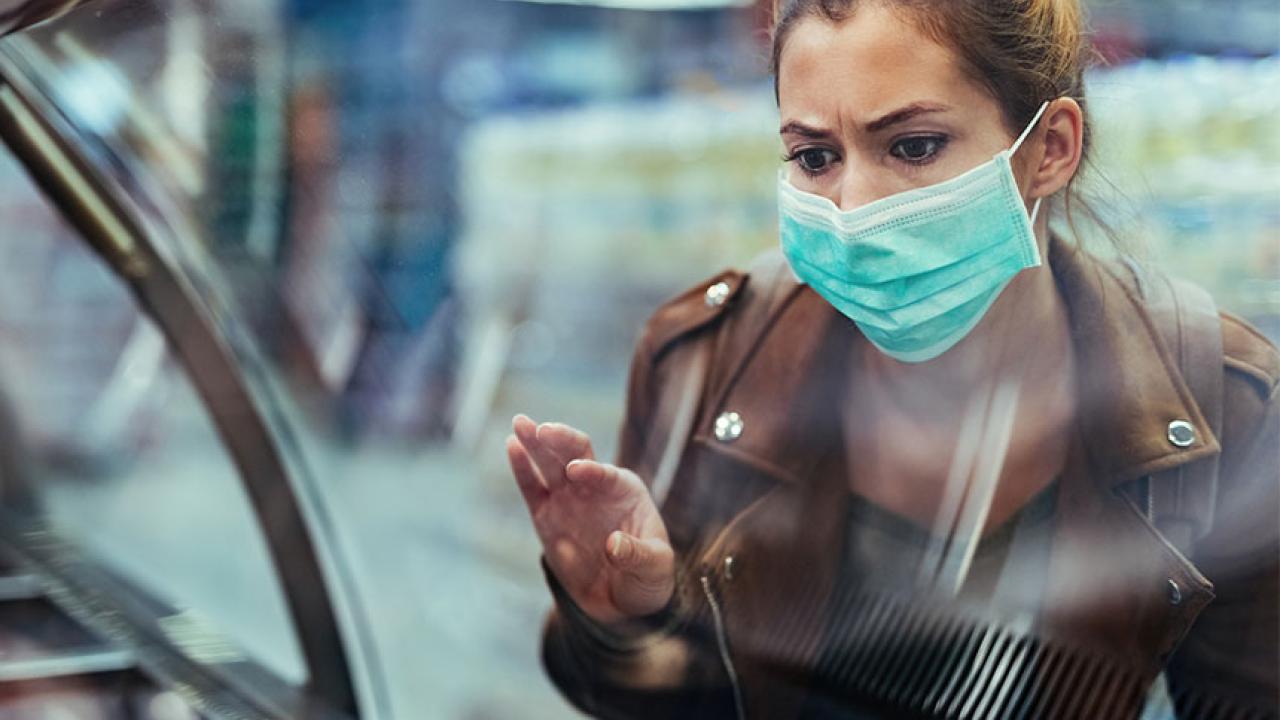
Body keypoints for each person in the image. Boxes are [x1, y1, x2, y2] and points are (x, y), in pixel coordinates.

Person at [505, 0, 1280, 717]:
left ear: (1049, 148)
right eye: (814, 157)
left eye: (912, 146)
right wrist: (622, 619)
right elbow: (670, 699)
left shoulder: (1227, 408)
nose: (852, 211)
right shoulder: (705, 366)